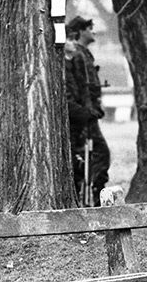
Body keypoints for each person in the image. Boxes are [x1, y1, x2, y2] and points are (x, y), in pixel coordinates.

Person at [67, 16, 111, 206]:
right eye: (89, 28)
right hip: (82, 117)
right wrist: (88, 111)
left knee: (93, 155)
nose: (93, 32)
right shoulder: (77, 56)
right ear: (80, 32)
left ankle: (93, 194)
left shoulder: (83, 54)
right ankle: (93, 195)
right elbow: (82, 88)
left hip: (87, 114)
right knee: (97, 154)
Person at [64, 27, 93, 202]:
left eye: (74, 39)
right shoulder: (62, 66)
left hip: (79, 123)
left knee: (81, 163)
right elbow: (67, 99)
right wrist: (84, 114)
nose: (74, 43)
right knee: (73, 163)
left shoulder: (74, 63)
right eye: (70, 39)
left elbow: (82, 90)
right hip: (72, 123)